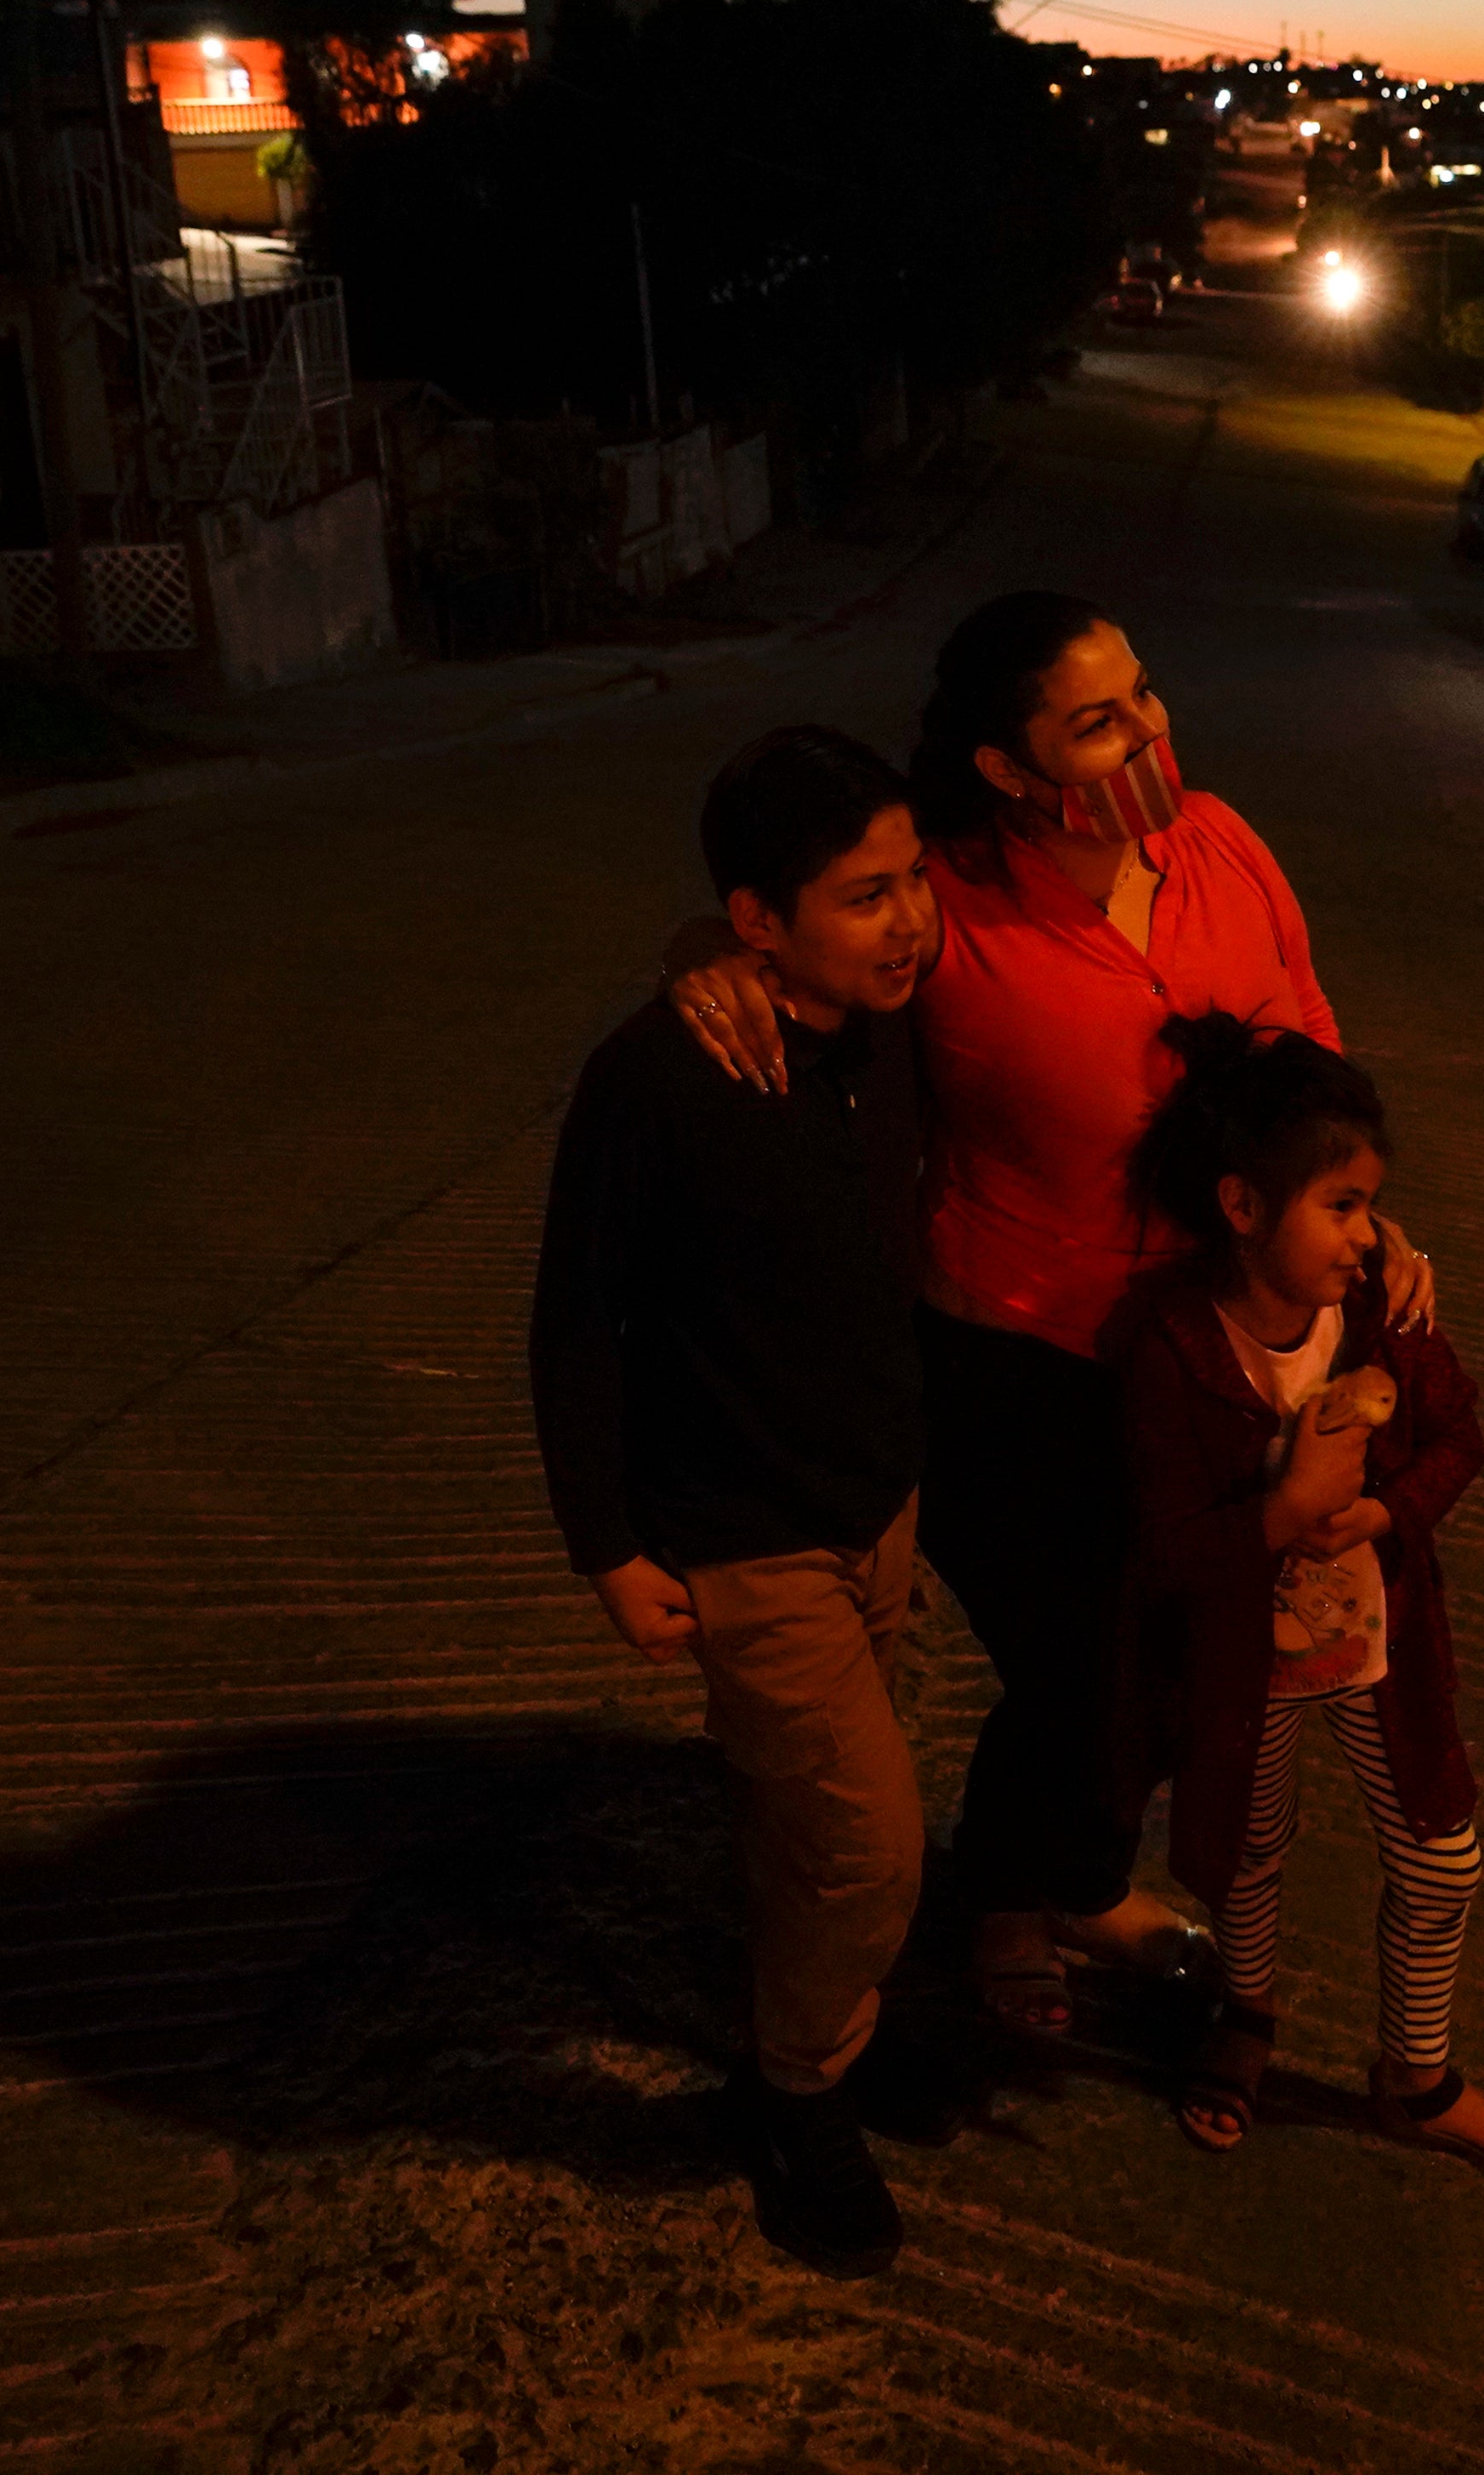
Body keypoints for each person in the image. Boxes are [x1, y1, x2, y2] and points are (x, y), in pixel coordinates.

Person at [674, 592, 1345, 2039]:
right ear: (1003, 763)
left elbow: (1307, 1034)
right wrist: (711, 967)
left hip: (1209, 1351)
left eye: (1144, 696)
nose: (1144, 734)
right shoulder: (952, 905)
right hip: (1017, 1357)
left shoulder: (1218, 845)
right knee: (1074, 1662)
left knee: (1174, 1664)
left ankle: (1080, 1877)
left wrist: (1359, 1216)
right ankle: (1001, 1904)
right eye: (1095, 721)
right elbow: (811, 947)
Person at [529, 726, 940, 2276]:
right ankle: (796, 2101)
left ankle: (818, 2036)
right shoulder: (660, 1076)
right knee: (875, 1845)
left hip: (875, 1505)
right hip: (742, 1533)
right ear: (761, 920)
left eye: (913, 884)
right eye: (863, 896)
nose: (908, 924)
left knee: (798, 1823)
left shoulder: (883, 1028)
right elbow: (578, 1317)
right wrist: (610, 1545)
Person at [1118, 1015, 1484, 2183]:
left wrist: (1384, 1512)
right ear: (1242, 1208)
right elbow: (1159, 1552)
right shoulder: (1170, 1345)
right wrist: (1279, 1510)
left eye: (1370, 1205)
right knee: (1248, 1849)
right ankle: (1248, 2019)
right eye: (1344, 1205)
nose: (1370, 1234)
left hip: (1378, 1647)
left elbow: (1460, 1437)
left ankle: (1415, 2078)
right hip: (1240, 1663)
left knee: (1442, 1859)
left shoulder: (1380, 1312)